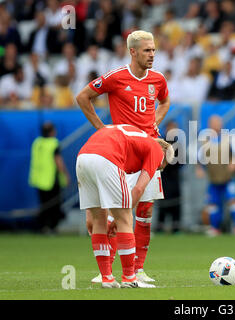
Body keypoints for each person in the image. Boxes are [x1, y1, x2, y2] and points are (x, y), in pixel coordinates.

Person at [76, 30, 170, 284]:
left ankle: (137, 270)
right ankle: (108, 269)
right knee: (113, 214)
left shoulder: (158, 79)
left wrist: (154, 123)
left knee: (145, 212)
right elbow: (83, 97)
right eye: (147, 50)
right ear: (133, 52)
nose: (152, 54)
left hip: (148, 148)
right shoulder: (116, 77)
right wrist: (103, 129)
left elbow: (164, 101)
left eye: (153, 50)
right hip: (120, 155)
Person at [76, 124, 174, 288]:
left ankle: (107, 278)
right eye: (160, 167)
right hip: (107, 158)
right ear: (163, 155)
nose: (157, 169)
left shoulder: (136, 140)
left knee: (99, 220)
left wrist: (90, 214)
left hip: (82, 158)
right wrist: (119, 219)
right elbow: (139, 188)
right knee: (126, 219)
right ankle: (129, 278)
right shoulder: (156, 150)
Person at [195, 115, 235, 237]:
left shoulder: (229, 138)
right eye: (213, 123)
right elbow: (199, 157)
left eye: (218, 122)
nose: (216, 125)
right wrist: (199, 168)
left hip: (229, 178)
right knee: (213, 204)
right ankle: (215, 228)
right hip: (213, 178)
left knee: (233, 201)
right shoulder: (205, 140)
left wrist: (234, 163)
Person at [29, 122, 70, 233]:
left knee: (43, 204)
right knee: (53, 204)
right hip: (51, 179)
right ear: (52, 131)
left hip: (38, 179)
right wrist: (65, 175)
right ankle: (52, 227)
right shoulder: (53, 143)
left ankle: (43, 226)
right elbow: (58, 161)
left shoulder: (37, 143)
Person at [156, 121, 182, 234]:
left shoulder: (178, 145)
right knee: (163, 200)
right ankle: (160, 226)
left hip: (174, 177)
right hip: (163, 176)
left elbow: (181, 162)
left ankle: (176, 227)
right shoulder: (161, 143)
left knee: (175, 201)